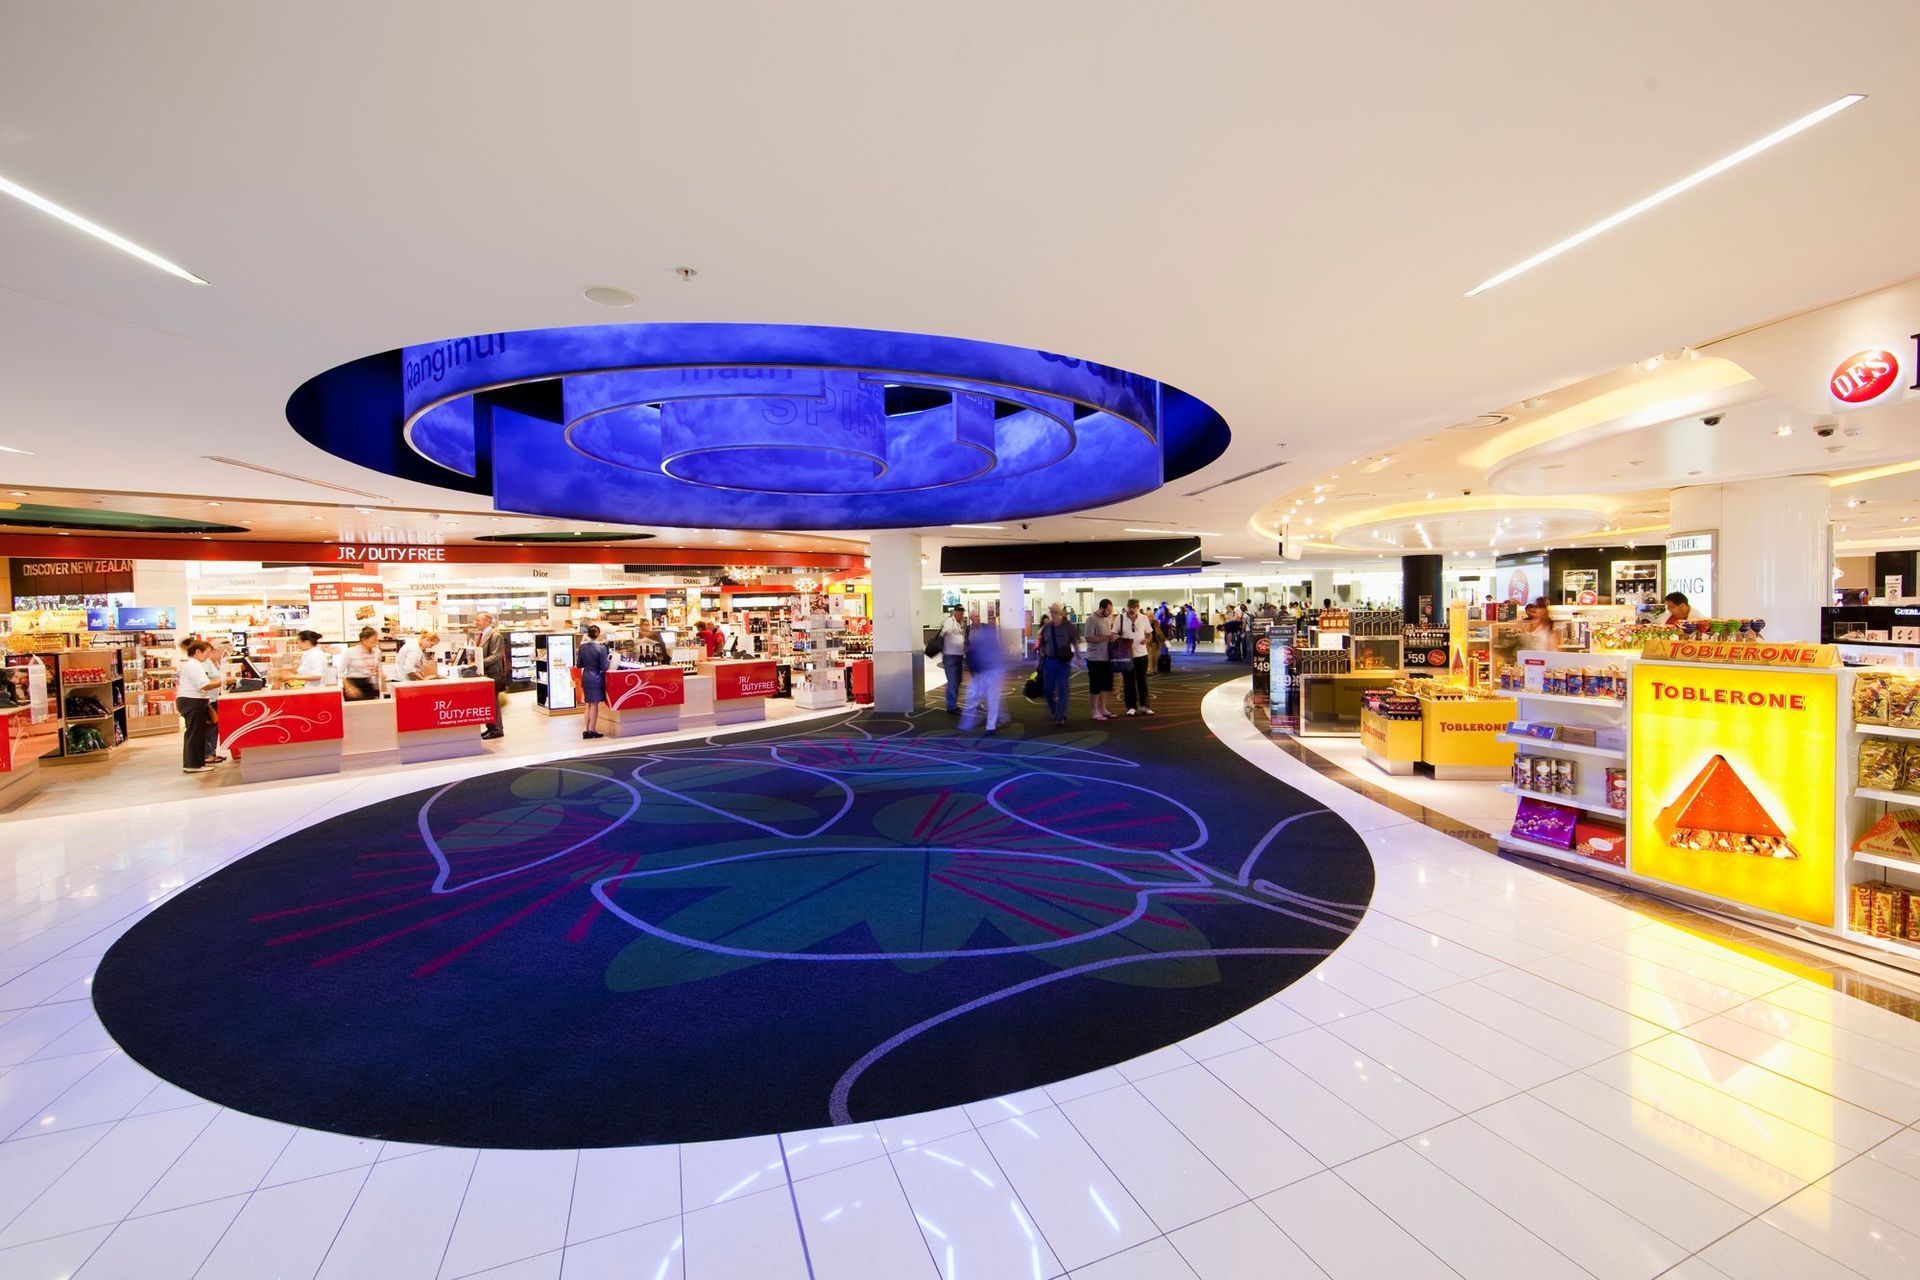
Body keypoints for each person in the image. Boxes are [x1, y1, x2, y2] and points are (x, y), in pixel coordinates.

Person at [1035, 602, 1079, 727]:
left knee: (1063, 689)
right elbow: (1042, 644)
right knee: (1048, 689)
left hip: (1063, 662)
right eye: (1051, 612)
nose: (1053, 614)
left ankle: (1060, 715)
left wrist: (1078, 656)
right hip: (1049, 661)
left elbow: (1075, 642)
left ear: (1061, 613)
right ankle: (1054, 709)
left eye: (1055, 612)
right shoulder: (1047, 628)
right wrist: (1040, 660)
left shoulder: (1068, 626)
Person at [958, 615, 1005, 733]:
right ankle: (968, 723)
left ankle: (990, 726)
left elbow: (996, 651)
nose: (978, 619)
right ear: (971, 619)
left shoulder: (987, 630)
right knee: (974, 695)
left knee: (992, 698)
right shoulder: (969, 631)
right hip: (980, 669)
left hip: (991, 670)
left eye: (978, 617)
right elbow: (968, 647)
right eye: (975, 617)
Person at [176, 639, 215, 774]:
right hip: (192, 701)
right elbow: (204, 685)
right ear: (198, 652)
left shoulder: (192, 665)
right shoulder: (193, 666)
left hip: (191, 701)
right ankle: (194, 765)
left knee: (193, 733)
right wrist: (222, 682)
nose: (207, 656)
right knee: (195, 734)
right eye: (207, 653)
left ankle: (192, 763)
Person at [1117, 598, 1154, 716]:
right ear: (1127, 607)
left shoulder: (1144, 618)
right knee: (1128, 682)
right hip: (1127, 655)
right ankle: (1131, 706)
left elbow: (1149, 634)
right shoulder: (1120, 618)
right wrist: (1121, 640)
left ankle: (1145, 706)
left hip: (1142, 654)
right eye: (1130, 607)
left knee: (1142, 681)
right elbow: (1114, 634)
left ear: (1138, 608)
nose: (1132, 610)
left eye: (1134, 607)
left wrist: (1146, 640)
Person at [1083, 598, 1118, 721]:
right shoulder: (1091, 619)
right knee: (1095, 686)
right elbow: (1089, 638)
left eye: (1110, 611)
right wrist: (1107, 638)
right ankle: (1095, 711)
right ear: (1101, 608)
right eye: (1108, 610)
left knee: (1106, 685)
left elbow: (1108, 636)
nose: (1109, 613)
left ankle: (1103, 709)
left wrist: (1113, 637)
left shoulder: (1107, 619)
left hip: (1107, 657)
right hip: (1095, 658)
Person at [477, 611, 510, 739]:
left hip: (493, 673)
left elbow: (496, 656)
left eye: (478, 620)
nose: (476, 623)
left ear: (487, 621)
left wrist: (479, 663)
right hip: (486, 674)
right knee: (488, 702)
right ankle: (490, 727)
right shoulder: (482, 635)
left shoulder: (495, 636)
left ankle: (497, 729)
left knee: (493, 702)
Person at [578, 624, 609, 739]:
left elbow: (579, 664)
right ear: (598, 634)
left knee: (588, 704)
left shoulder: (582, 647)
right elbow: (604, 666)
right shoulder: (601, 648)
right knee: (595, 705)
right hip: (596, 677)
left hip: (586, 676)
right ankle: (592, 729)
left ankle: (586, 729)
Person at [939, 603, 970, 715]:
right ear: (955, 612)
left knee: (957, 680)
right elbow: (944, 632)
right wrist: (946, 636)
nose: (961, 614)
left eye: (962, 613)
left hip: (958, 656)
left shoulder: (960, 623)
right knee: (953, 681)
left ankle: (953, 704)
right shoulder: (950, 621)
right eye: (959, 612)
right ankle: (951, 706)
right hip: (950, 656)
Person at [340, 627, 381, 701]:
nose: (376, 642)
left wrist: (380, 674)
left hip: (370, 684)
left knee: (372, 706)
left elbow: (377, 668)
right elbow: (340, 672)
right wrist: (349, 688)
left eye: (377, 640)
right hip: (353, 683)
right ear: (364, 640)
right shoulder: (350, 652)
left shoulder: (377, 652)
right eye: (374, 640)